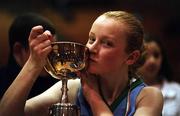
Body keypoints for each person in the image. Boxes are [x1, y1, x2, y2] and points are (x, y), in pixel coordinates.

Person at [0, 11, 163, 116]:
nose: (91, 48)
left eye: (107, 43)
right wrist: (33, 64)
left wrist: (93, 97)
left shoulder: (148, 97)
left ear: (131, 57)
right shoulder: (74, 87)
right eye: (91, 39)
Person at [0, 13, 58, 99]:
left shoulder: (57, 83)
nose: (53, 58)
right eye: (43, 49)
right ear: (18, 50)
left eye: (53, 50)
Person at [137, 34, 180, 116]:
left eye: (156, 55)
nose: (152, 61)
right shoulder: (126, 90)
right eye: (146, 55)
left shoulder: (177, 90)